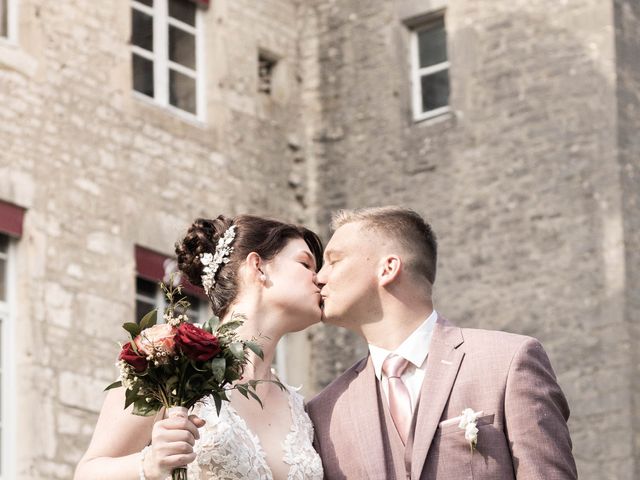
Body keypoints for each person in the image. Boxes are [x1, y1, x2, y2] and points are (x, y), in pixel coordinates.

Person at [307, 206, 577, 480]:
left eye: (334, 260)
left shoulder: (509, 363)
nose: (319, 277)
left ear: (388, 268)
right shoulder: (323, 411)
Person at [75, 215, 324, 480]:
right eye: (306, 264)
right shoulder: (170, 360)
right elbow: (88, 473)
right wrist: (150, 463)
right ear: (258, 267)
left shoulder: (299, 408)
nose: (319, 279)